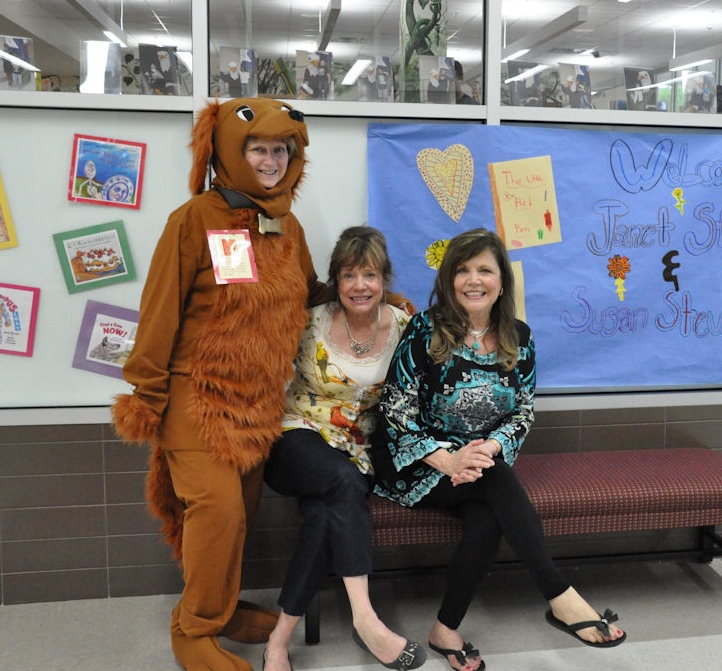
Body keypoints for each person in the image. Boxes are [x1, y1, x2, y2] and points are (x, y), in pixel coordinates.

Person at [110, 98, 414, 671]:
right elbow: (159, 314)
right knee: (217, 513)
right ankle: (196, 629)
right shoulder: (194, 219)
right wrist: (146, 396)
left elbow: (308, 293)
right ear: (231, 151)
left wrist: (379, 297)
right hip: (195, 400)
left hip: (257, 407)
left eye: (280, 150)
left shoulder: (286, 226)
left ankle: (221, 610)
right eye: (258, 149)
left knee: (236, 522)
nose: (270, 160)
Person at [371, 228, 627, 671]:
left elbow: (524, 411)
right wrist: (449, 458)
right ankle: (559, 596)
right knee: (495, 478)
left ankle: (444, 630)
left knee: (489, 511)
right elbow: (394, 409)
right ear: (449, 278)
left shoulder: (519, 337)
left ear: (501, 282)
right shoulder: (424, 330)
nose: (474, 280)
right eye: (463, 270)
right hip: (419, 465)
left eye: (485, 270)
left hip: (481, 466)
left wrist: (487, 447)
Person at [262, 226, 424, 671]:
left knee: (322, 515)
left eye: (369, 275)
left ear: (384, 279)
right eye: (349, 275)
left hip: (359, 449)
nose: (359, 286)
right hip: (296, 438)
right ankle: (366, 618)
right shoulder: (308, 318)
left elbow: (424, 387)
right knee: (343, 481)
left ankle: (278, 641)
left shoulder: (407, 327)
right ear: (336, 280)